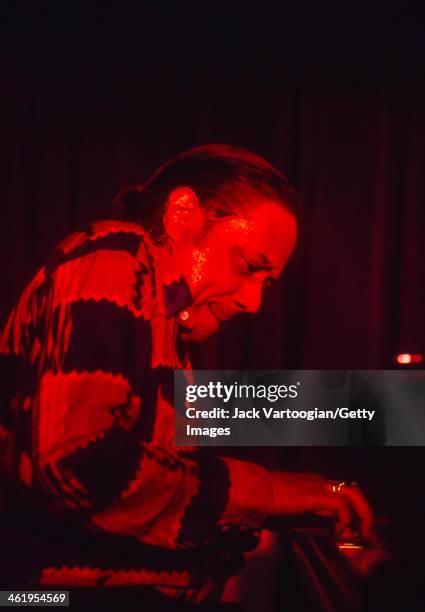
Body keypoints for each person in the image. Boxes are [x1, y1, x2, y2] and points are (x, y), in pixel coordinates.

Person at [0, 145, 373, 610]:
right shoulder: (113, 257)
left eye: (267, 283)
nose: (254, 303)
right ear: (182, 214)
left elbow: (172, 473)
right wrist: (271, 492)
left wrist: (297, 491)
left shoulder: (165, 326)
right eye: (249, 266)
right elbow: (76, 465)